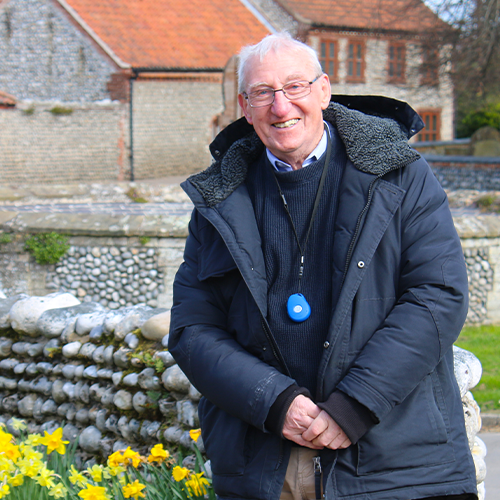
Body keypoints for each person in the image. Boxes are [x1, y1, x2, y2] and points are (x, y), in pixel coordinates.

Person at [169, 32, 477, 500]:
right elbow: (193, 329)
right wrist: (273, 401)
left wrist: (354, 405)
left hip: (398, 461)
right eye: (263, 92)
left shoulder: (399, 174)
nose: (280, 106)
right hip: (268, 463)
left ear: (324, 90)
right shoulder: (220, 198)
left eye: (295, 87)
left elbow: (438, 296)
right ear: (244, 105)